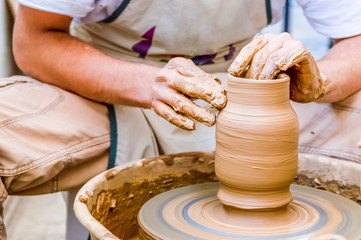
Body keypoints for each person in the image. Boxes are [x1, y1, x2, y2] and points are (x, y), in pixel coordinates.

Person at [1, 0, 361, 239]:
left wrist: (319, 78)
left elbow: (356, 41)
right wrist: (144, 85)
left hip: (241, 88)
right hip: (115, 83)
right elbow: (35, 41)